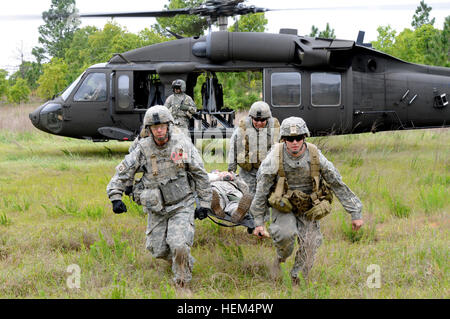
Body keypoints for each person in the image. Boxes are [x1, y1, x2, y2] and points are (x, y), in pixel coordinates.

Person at [106, 105, 212, 289]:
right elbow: (123, 172)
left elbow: (200, 174)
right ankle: (184, 261)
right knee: (157, 250)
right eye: (155, 127)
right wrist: (116, 197)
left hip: (182, 204)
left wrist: (204, 203)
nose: (159, 130)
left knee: (178, 245)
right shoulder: (142, 149)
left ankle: (182, 284)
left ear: (169, 125)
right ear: (149, 129)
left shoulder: (182, 144)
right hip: (157, 208)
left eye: (162, 126)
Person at [249, 117, 364, 283]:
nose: (294, 142)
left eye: (298, 138)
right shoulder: (274, 157)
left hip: (308, 207)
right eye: (289, 139)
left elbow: (336, 183)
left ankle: (297, 278)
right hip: (283, 206)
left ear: (305, 137)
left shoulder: (315, 155)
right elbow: (261, 190)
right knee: (285, 235)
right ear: (283, 139)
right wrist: (258, 222)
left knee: (311, 243)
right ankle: (281, 258)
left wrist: (355, 212)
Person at [227, 101, 280, 220]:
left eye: (262, 120)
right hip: (248, 169)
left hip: (267, 170)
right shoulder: (243, 128)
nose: (259, 123)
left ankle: (262, 226)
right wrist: (231, 169)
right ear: (251, 117)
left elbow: (282, 149)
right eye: (256, 120)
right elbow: (233, 147)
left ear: (268, 119)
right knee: (247, 196)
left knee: (264, 197)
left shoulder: (275, 129)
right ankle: (250, 224)